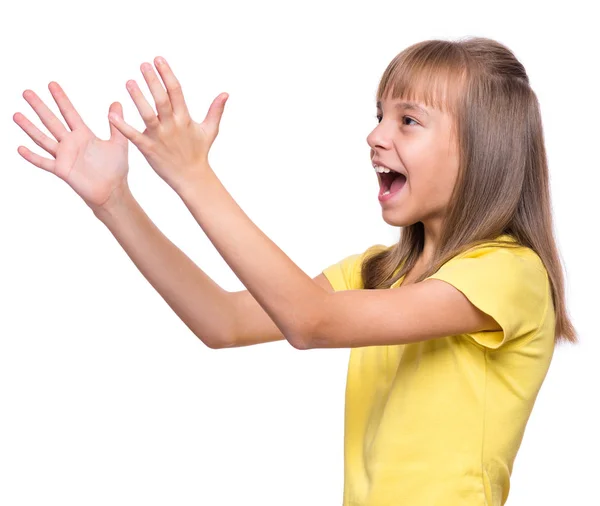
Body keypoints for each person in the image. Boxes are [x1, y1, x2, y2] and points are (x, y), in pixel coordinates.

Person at [13, 36, 577, 505]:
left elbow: (310, 323)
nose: (376, 135)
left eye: (408, 121)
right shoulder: (378, 272)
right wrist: (115, 202)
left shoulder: (509, 272)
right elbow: (223, 321)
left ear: (483, 150)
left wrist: (192, 176)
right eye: (379, 115)